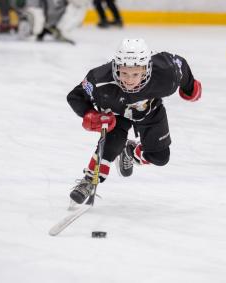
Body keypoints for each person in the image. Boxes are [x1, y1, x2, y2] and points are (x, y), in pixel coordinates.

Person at [67, 38, 202, 204]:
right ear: (115, 67)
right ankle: (88, 181)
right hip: (116, 115)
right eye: (124, 73)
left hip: (149, 111)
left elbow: (181, 66)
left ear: (147, 69)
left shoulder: (166, 71)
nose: (129, 80)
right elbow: (75, 96)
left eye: (135, 74)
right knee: (111, 145)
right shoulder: (99, 78)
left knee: (160, 157)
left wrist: (190, 88)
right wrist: (90, 114)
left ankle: (130, 151)